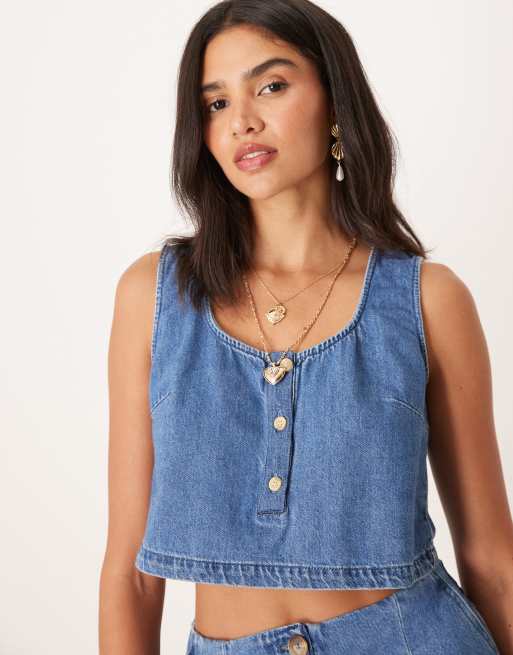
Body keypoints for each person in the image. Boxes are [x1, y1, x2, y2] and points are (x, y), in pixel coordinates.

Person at [99, 1, 513, 653]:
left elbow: (492, 560)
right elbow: (132, 576)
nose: (242, 120)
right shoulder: (154, 295)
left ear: (335, 102)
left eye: (270, 86)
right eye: (216, 103)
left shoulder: (429, 300)